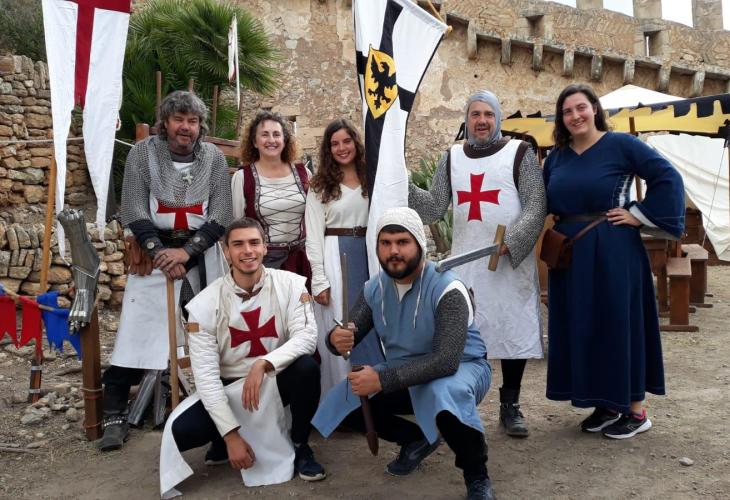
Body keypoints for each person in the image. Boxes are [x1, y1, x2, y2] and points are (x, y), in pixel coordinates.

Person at [313, 207, 495, 500]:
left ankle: (477, 475)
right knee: (343, 399)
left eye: (402, 242)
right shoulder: (375, 288)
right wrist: (336, 338)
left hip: (463, 368)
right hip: (404, 369)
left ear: (419, 244)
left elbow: (446, 361)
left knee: (445, 393)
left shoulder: (448, 288)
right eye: (385, 243)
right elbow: (351, 331)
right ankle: (415, 439)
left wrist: (382, 380)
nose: (393, 251)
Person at [543, 83, 685, 439]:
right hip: (571, 255)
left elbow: (668, 177)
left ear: (594, 109)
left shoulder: (621, 145)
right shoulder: (557, 158)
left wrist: (639, 214)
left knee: (618, 322)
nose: (575, 116)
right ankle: (606, 403)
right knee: (586, 325)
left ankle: (636, 411)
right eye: (567, 111)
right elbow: (539, 202)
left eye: (581, 107)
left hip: (613, 250)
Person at [409, 90, 546, 437]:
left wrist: (513, 240)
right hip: (468, 261)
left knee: (512, 328)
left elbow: (535, 205)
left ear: (497, 118)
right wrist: (400, 183)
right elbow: (434, 207)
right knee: (468, 334)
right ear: (466, 119)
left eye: (488, 114)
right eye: (475, 114)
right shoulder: (452, 157)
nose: (482, 121)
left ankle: (510, 404)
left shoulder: (519, 153)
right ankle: (463, 405)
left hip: (508, 262)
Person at [101, 91, 232, 451]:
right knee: (137, 330)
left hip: (201, 255)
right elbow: (134, 208)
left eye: (192, 121)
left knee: (209, 328)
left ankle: (217, 404)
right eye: (179, 120)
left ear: (200, 126)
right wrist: (160, 254)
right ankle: (114, 412)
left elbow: (221, 214)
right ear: (165, 123)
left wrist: (187, 253)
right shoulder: (143, 154)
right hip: (153, 256)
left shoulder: (214, 158)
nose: (185, 127)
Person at [159, 217, 325, 497]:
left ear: (264, 247)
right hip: (229, 390)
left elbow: (307, 338)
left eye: (254, 243)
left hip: (274, 383)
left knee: (306, 368)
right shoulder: (204, 304)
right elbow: (206, 378)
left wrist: (264, 364)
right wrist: (231, 435)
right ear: (226, 252)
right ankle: (221, 437)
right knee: (181, 432)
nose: (247, 251)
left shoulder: (292, 285)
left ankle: (300, 445)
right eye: (238, 244)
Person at [305, 118, 383, 394]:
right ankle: (342, 394)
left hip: (370, 254)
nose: (341, 148)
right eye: (334, 144)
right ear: (328, 149)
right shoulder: (320, 186)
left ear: (356, 143)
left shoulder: (372, 177)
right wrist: (319, 279)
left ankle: (375, 392)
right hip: (335, 257)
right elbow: (313, 236)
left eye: (346, 141)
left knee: (373, 318)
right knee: (340, 322)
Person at [232, 111, 311, 288]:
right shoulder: (243, 177)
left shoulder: (303, 173)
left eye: (276, 134)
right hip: (264, 263)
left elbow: (315, 217)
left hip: (302, 261)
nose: (271, 140)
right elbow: (237, 226)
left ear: (285, 139)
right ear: (254, 141)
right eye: (264, 134)